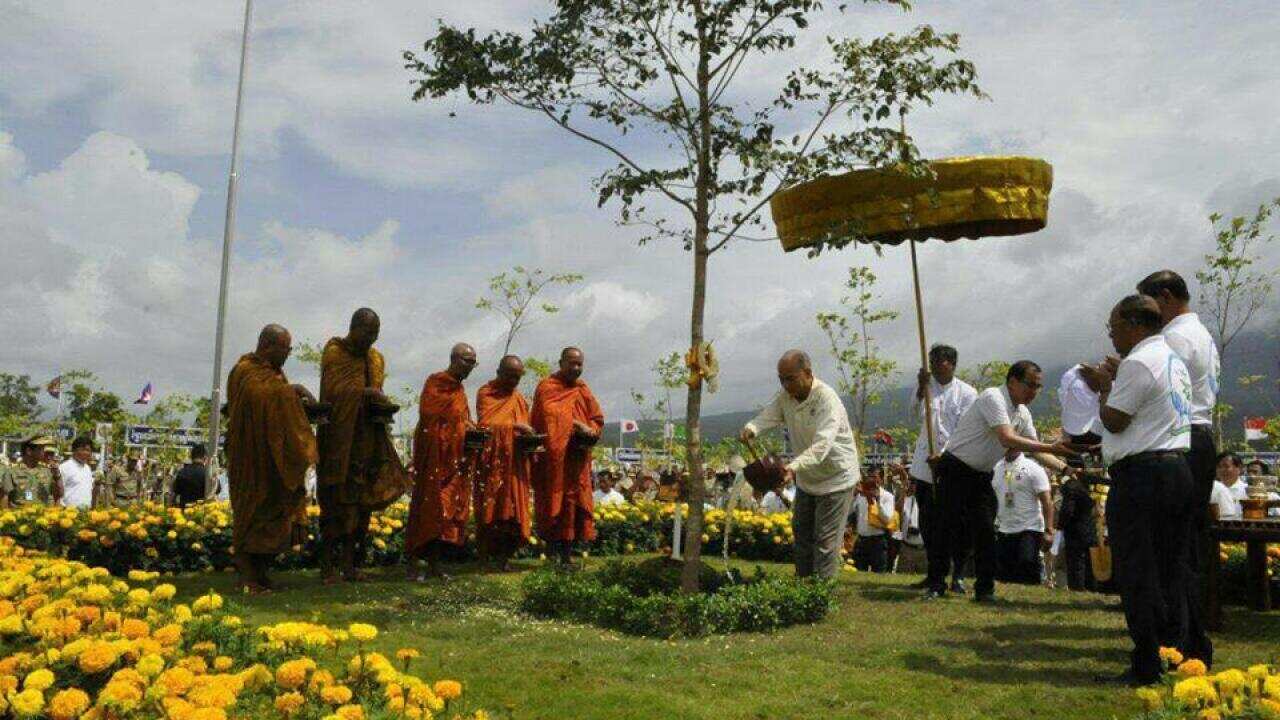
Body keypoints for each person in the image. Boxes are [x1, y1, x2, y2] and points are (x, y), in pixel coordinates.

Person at [1081, 294, 1208, 685]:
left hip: (1142, 476)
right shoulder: (1173, 360)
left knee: (1138, 570)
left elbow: (1116, 421)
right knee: (1172, 567)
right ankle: (1177, 650)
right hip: (1176, 470)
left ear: (1135, 325)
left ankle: (1147, 661)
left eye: (1114, 328)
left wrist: (1103, 388)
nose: (1112, 336)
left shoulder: (1138, 362)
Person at [924, 361, 1077, 601]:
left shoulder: (1023, 413)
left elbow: (1036, 451)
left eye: (1038, 387)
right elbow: (1007, 438)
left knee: (985, 531)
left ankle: (985, 589)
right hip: (955, 468)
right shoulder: (992, 397)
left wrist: (1066, 466)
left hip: (981, 475)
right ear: (1012, 382)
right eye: (1030, 385)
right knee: (945, 528)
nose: (1034, 392)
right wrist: (1052, 446)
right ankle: (936, 584)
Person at [1137, 272, 1220, 610]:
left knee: (1171, 540)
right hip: (1200, 436)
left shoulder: (1173, 338)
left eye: (1148, 304)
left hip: (1181, 441)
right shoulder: (1201, 334)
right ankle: (1194, 616)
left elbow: (1161, 389)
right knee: (1189, 536)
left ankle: (1176, 622)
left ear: (1167, 298)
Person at [741, 349, 861, 579]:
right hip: (807, 478)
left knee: (826, 539)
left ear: (807, 373)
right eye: (781, 379)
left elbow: (822, 446)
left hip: (837, 477)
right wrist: (752, 428)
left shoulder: (827, 399)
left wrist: (792, 468)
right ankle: (803, 586)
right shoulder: (785, 397)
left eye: (790, 378)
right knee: (802, 534)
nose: (785, 384)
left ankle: (821, 595)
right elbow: (768, 416)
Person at [318, 308, 412, 584]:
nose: (371, 339)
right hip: (339, 442)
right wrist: (365, 394)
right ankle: (328, 568)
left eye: (376, 334)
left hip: (367, 441)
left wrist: (378, 402)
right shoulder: (335, 351)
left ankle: (350, 565)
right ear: (354, 327)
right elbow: (333, 394)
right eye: (368, 332)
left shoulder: (375, 358)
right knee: (336, 507)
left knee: (361, 509)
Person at [225, 324, 319, 593]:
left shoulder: (272, 374)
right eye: (286, 348)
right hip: (251, 457)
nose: (289, 354)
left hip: (273, 457)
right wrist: (292, 392)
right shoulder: (245, 371)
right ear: (269, 346)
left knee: (276, 512)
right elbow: (258, 398)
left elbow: (276, 407)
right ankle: (247, 577)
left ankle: (261, 573)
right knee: (251, 513)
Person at [909, 344, 978, 592]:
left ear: (952, 364)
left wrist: (945, 456)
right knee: (928, 522)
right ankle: (934, 571)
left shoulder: (967, 393)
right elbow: (915, 414)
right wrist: (920, 388)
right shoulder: (926, 387)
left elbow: (965, 429)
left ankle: (957, 573)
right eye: (932, 361)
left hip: (952, 465)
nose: (936, 365)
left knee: (956, 523)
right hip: (925, 468)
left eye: (940, 361)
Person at [406, 343, 477, 580]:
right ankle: (414, 564)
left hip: (454, 461)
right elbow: (428, 416)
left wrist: (468, 428)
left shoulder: (460, 390)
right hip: (435, 458)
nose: (470, 367)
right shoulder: (436, 382)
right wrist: (456, 429)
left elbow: (460, 418)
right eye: (467, 361)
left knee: (445, 513)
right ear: (455, 359)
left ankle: (435, 566)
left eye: (473, 363)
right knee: (428, 508)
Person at [531, 347, 604, 565]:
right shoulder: (547, 387)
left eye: (579, 364)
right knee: (553, 504)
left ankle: (567, 555)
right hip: (554, 462)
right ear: (560, 362)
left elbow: (597, 418)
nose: (576, 368)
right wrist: (575, 424)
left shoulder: (583, 389)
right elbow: (547, 418)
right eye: (571, 363)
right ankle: (552, 553)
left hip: (576, 460)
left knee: (573, 506)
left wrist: (589, 429)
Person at [474, 354, 535, 570]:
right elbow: (485, 426)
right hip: (492, 464)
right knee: (488, 511)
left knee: (513, 514)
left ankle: (504, 560)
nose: (513, 382)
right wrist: (515, 428)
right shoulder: (486, 393)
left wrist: (528, 438)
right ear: (499, 372)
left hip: (515, 465)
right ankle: (482, 560)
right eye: (510, 376)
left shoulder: (519, 399)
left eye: (517, 378)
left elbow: (523, 426)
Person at [991, 449, 1054, 585]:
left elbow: (1047, 501)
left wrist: (1049, 530)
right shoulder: (996, 467)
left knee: (1027, 566)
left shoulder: (1033, 468)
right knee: (1004, 574)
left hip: (1029, 528)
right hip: (1004, 528)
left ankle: (1031, 602)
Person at [1056, 471, 1098, 591]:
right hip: (1090, 528)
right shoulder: (1088, 485)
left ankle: (1077, 588)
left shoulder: (1071, 487)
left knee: (1076, 561)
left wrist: (1060, 526)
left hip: (1075, 530)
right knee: (1090, 562)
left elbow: (1067, 510)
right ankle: (1092, 587)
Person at [849, 473, 895, 573]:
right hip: (861, 541)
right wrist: (853, 495)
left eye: (875, 479)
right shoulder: (860, 495)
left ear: (881, 480)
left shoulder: (887, 496)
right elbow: (848, 512)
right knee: (859, 573)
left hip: (878, 542)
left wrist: (877, 500)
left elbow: (887, 519)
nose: (873, 482)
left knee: (879, 574)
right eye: (870, 479)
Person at [0, 436, 58, 507]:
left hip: (43, 515)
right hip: (21, 516)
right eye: (40, 449)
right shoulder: (12, 472)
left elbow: (58, 494)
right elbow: (4, 497)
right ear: (29, 451)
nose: (43, 452)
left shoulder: (47, 471)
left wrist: (57, 476)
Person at [58, 437, 96, 509]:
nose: (86, 453)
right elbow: (58, 492)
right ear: (74, 450)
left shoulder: (88, 468)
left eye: (88, 450)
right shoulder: (64, 467)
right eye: (83, 450)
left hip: (85, 513)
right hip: (68, 514)